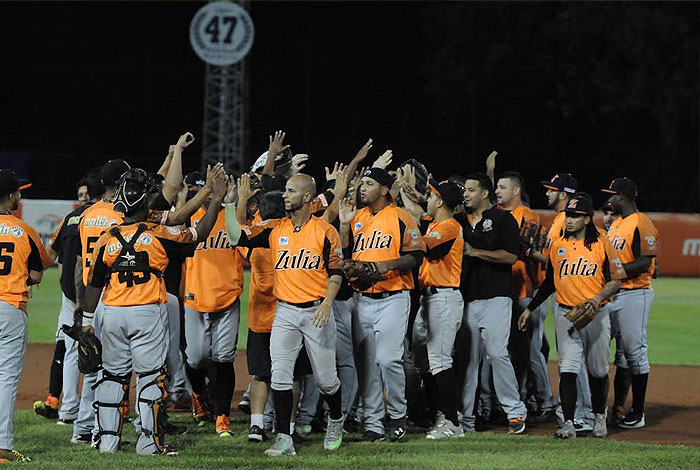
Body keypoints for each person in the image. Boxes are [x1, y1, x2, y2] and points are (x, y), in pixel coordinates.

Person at [82, 167, 226, 455]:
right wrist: (217, 197)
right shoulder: (160, 234)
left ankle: (107, 442)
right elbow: (199, 234)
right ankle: (149, 443)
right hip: (147, 311)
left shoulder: (107, 237)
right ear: (146, 203)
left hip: (112, 312)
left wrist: (87, 322)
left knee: (112, 376)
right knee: (150, 377)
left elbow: (94, 284)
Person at [226, 174, 346, 457]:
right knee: (280, 376)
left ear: (307, 197)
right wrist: (231, 205)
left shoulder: (325, 230)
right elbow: (237, 236)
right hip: (285, 311)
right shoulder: (274, 228)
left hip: (317, 309)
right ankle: (284, 439)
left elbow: (337, 272)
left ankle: (337, 419)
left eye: (291, 191)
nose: (284, 195)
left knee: (326, 381)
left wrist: (328, 303)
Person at [519, 194, 626, 439]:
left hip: (596, 314)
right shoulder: (558, 245)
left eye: (576, 216)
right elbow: (549, 283)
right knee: (567, 369)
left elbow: (616, 280)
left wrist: (597, 299)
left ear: (587, 219)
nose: (569, 220)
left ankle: (599, 417)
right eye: (568, 214)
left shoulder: (603, 243)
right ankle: (568, 422)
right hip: (566, 314)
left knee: (598, 371)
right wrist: (529, 308)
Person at [338, 167, 426, 442]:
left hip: (394, 297)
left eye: (369, 183)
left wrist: (385, 265)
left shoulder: (402, 217)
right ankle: (373, 423)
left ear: (385, 190)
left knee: (388, 359)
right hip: (361, 298)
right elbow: (345, 256)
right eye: (361, 183)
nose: (362, 188)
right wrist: (343, 225)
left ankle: (398, 417)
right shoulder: (357, 218)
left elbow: (416, 256)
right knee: (366, 365)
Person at [455, 172, 528, 434]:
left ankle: (515, 412)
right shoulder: (459, 221)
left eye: (471, 190)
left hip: (497, 297)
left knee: (497, 354)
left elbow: (510, 256)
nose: (466, 194)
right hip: (467, 299)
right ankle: (466, 418)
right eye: (465, 190)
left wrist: (475, 252)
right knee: (469, 361)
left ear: (485, 194)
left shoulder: (502, 218)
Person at [34, 176, 103, 424]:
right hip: (95, 294)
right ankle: (96, 412)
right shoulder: (103, 216)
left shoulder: (69, 220)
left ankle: (67, 411)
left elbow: (52, 257)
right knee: (99, 352)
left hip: (69, 295)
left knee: (71, 351)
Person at [530, 173, 595, 433]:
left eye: (552, 190)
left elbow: (554, 264)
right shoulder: (560, 220)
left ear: (564, 193)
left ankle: (584, 412)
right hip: (563, 293)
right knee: (571, 359)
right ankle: (576, 411)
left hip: (573, 295)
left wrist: (532, 253)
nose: (547, 193)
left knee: (574, 360)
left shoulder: (562, 222)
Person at [182, 175, 244, 437]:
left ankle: (222, 416)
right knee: (195, 358)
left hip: (227, 297)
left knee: (223, 359)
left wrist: (232, 205)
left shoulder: (231, 217)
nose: (210, 194)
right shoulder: (191, 216)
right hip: (196, 298)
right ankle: (198, 395)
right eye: (207, 189)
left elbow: (242, 241)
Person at [402, 180, 466, 439]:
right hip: (429, 300)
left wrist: (404, 227)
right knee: (424, 362)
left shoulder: (450, 226)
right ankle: (437, 413)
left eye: (431, 195)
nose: (427, 198)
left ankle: (452, 422)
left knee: (440, 360)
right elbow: (417, 215)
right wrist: (404, 192)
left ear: (440, 202)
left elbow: (423, 245)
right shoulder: (437, 223)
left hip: (444, 297)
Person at [495, 171, 557, 419]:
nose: (498, 191)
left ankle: (545, 400)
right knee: (513, 351)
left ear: (516, 191)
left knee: (531, 351)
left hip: (527, 292)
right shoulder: (500, 215)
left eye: (502, 187)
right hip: (506, 292)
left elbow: (522, 248)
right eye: (496, 187)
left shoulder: (527, 215)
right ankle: (526, 397)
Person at [0, 169, 52, 463]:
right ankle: (2, 446)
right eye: (18, 190)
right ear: (11, 197)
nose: (20, 194)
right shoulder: (24, 230)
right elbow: (37, 270)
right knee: (5, 378)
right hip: (8, 307)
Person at [602, 178, 658, 429]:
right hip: (614, 293)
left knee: (635, 354)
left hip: (635, 294)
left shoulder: (641, 223)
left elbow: (646, 263)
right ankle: (614, 408)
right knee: (617, 355)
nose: (609, 199)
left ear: (622, 196)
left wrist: (614, 271)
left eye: (612, 195)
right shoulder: (617, 225)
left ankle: (638, 412)